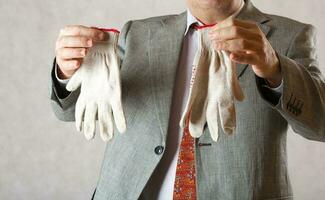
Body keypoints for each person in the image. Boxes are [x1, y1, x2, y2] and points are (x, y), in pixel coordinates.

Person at [49, 0, 325, 199]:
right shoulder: (137, 33)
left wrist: (274, 67)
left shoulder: (290, 35)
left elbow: (320, 122)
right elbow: (71, 111)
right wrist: (67, 71)